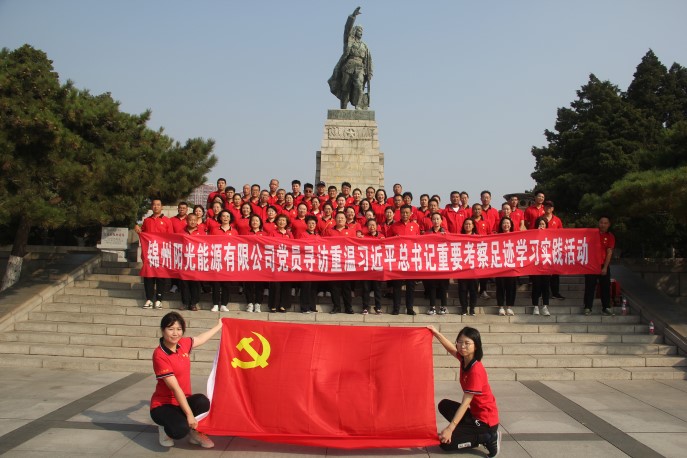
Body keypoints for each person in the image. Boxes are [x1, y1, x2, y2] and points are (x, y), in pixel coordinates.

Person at [150, 312, 222, 448]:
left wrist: (219, 326)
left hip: (182, 401)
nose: (175, 333)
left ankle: (194, 433)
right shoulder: (160, 355)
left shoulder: (183, 344)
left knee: (202, 401)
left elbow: (200, 339)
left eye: (179, 329)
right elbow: (175, 388)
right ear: (163, 330)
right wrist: (189, 415)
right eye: (171, 329)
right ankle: (164, 429)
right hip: (163, 405)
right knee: (179, 430)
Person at [427, 326, 501, 457]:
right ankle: (469, 433)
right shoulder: (464, 360)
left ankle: (488, 437)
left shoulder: (475, 371)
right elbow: (451, 349)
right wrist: (436, 333)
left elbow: (465, 403)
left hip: (485, 422)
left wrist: (450, 428)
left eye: (467, 343)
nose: (462, 346)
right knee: (444, 405)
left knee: (446, 444)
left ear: (476, 346)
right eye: (460, 342)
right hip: (474, 414)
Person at [328, 7, 373, 110]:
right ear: (355, 31)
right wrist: (353, 16)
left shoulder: (364, 46)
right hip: (348, 66)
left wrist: (370, 73)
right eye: (359, 30)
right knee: (345, 88)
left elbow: (369, 60)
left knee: (359, 86)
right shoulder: (349, 40)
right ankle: (343, 107)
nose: (361, 32)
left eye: (362, 31)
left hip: (360, 68)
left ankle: (358, 106)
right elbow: (347, 28)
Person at [135, 198, 172, 309]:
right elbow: (143, 234)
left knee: (160, 277)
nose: (156, 207)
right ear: (151, 207)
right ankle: (149, 299)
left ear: (162, 207)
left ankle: (159, 299)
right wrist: (138, 229)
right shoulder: (147, 220)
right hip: (150, 253)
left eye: (158, 205)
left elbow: (170, 237)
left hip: (162, 253)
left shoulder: (167, 221)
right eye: (154, 205)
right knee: (148, 276)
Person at [388, 204, 420, 315]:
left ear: (411, 213)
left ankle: (409, 308)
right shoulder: (394, 226)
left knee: (410, 286)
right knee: (397, 286)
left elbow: (419, 242)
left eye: (407, 212)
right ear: (399, 213)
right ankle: (396, 308)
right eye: (402, 212)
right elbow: (388, 241)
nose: (405, 214)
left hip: (411, 259)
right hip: (398, 259)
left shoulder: (415, 226)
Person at [583, 216, 615, 316]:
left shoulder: (610, 236)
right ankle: (587, 307)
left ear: (609, 225)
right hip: (591, 265)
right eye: (601, 222)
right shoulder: (592, 234)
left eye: (605, 223)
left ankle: (606, 307)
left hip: (603, 265)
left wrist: (605, 267)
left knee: (605, 287)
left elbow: (609, 252)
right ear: (598, 223)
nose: (603, 225)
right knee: (589, 287)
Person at [208, 210, 234, 312]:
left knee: (226, 284)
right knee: (216, 283)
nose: (225, 218)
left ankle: (224, 304)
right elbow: (209, 243)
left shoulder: (234, 231)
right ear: (220, 218)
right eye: (223, 216)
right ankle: (215, 304)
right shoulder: (214, 230)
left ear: (230, 218)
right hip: (217, 259)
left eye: (227, 216)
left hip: (228, 260)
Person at [423, 212, 448, 315]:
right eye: (434, 219)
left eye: (438, 219)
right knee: (432, 286)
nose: (436, 221)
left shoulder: (446, 233)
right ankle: (432, 306)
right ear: (431, 221)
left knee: (443, 286)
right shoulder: (427, 233)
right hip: (432, 262)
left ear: (441, 221)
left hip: (443, 262)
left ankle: (443, 306)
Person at [268, 214, 292, 313]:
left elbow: (293, 246)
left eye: (283, 220)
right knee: (275, 284)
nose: (282, 222)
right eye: (280, 220)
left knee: (286, 284)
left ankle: (283, 305)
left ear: (286, 223)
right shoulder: (272, 233)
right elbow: (268, 245)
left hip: (287, 262)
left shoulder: (289, 234)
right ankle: (273, 305)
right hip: (275, 261)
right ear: (276, 222)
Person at [542, 200, 565, 300]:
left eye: (550, 207)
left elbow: (561, 234)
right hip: (543, 249)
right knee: (544, 273)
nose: (548, 208)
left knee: (555, 272)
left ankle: (555, 293)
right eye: (546, 206)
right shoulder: (540, 219)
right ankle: (544, 293)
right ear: (544, 208)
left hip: (554, 249)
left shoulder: (557, 220)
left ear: (553, 209)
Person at [361, 218, 384, 314]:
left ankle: (378, 307)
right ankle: (365, 307)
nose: (372, 227)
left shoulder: (382, 237)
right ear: (367, 227)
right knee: (365, 288)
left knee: (377, 288)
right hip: (366, 266)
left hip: (377, 266)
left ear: (377, 226)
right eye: (369, 225)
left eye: (373, 225)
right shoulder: (364, 237)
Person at [244, 214, 266, 313]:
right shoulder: (246, 234)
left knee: (259, 284)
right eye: (253, 220)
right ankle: (249, 303)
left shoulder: (265, 234)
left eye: (257, 220)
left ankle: (258, 303)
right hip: (249, 262)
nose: (255, 222)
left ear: (260, 223)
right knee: (248, 284)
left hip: (261, 262)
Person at [495, 217, 517, 316]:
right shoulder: (496, 236)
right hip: (500, 266)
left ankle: (509, 307)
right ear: (501, 225)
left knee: (511, 287)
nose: (506, 225)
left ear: (511, 225)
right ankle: (500, 307)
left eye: (508, 223)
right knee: (500, 287)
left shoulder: (516, 236)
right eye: (504, 223)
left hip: (512, 266)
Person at [531, 217, 551, 316]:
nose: (541, 226)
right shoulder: (532, 236)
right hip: (536, 265)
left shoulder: (550, 237)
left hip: (546, 265)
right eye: (540, 224)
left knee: (545, 286)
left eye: (543, 224)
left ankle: (545, 306)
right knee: (536, 286)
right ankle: (535, 306)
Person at [458, 218, 479, 316]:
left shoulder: (478, 238)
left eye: (470, 224)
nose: (468, 226)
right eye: (466, 224)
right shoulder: (459, 237)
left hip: (474, 268)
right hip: (462, 268)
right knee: (462, 289)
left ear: (473, 226)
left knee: (473, 290)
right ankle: (464, 308)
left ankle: (472, 308)